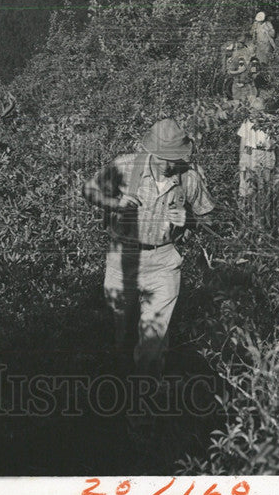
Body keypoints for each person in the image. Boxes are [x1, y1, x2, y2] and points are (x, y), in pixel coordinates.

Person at [82, 118, 215, 380]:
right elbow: (88, 190)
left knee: (153, 344)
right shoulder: (125, 166)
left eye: (174, 159)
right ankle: (119, 387)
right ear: (150, 151)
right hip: (123, 259)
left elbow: (210, 217)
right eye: (163, 158)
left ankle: (143, 402)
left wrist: (190, 219)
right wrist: (114, 202)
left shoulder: (189, 177)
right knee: (122, 335)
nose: (169, 165)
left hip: (165, 261)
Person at [236, 96, 276, 200]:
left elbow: (273, 141)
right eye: (255, 110)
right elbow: (243, 141)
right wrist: (241, 158)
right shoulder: (247, 123)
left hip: (265, 153)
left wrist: (269, 146)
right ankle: (246, 204)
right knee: (248, 182)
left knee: (265, 181)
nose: (257, 113)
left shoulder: (269, 122)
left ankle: (264, 203)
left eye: (260, 110)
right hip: (250, 153)